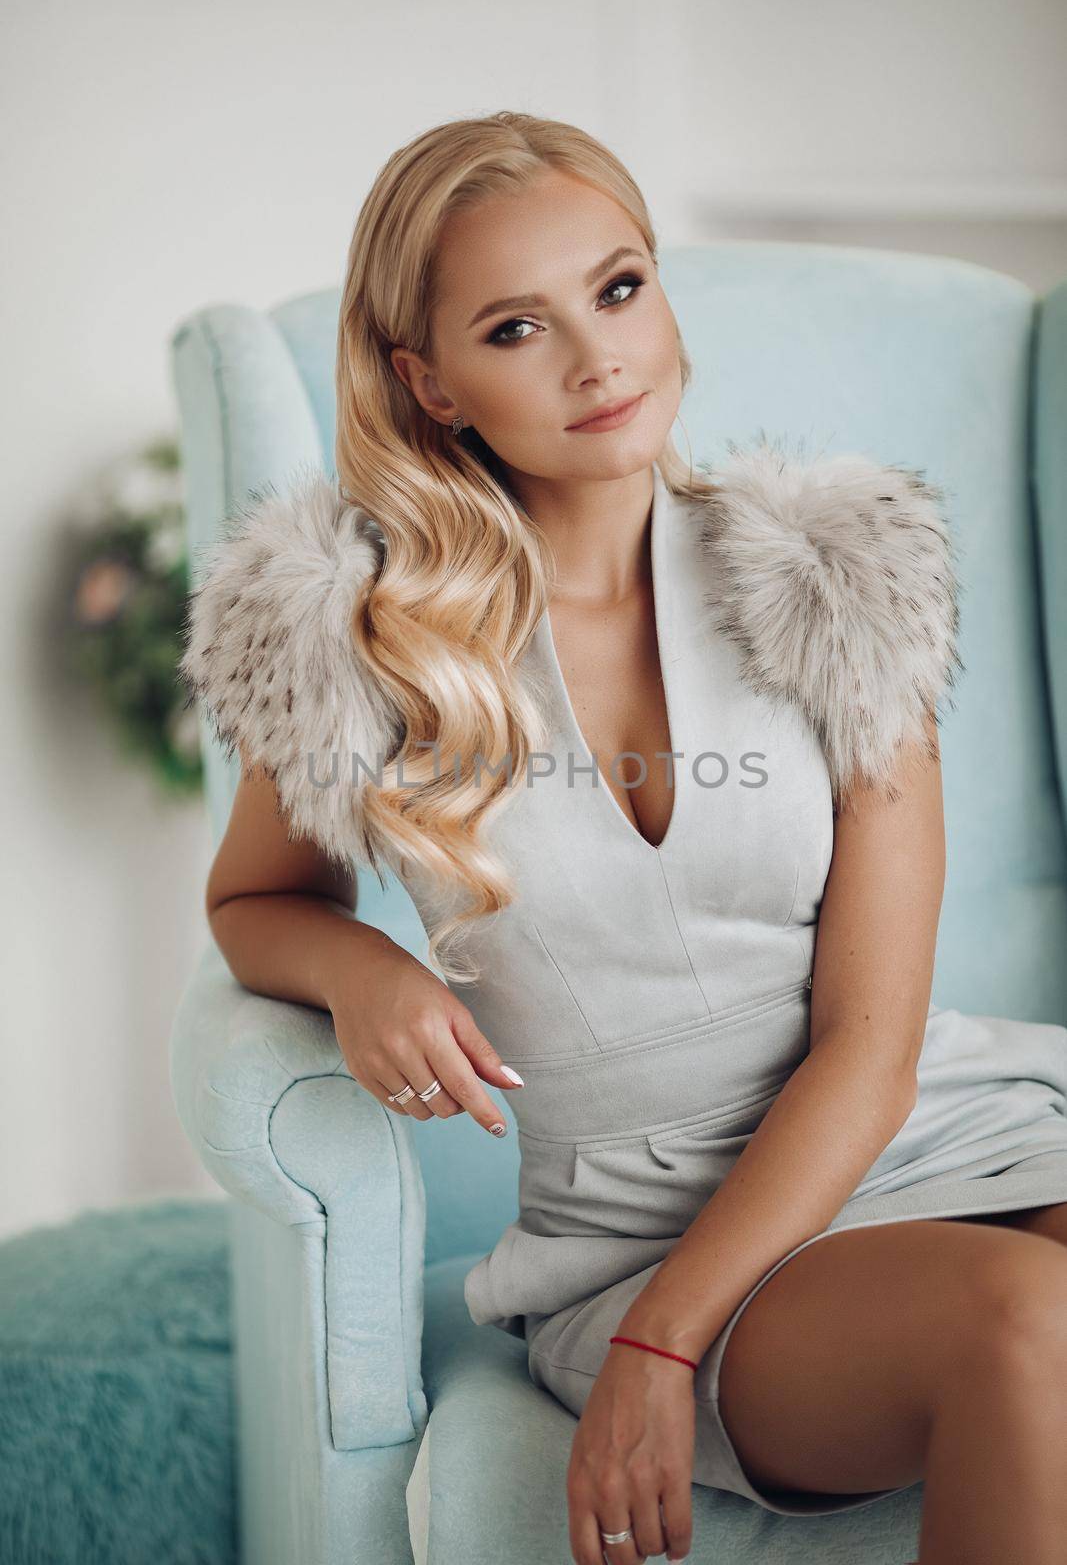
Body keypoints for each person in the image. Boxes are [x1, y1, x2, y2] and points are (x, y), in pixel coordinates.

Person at [180, 111, 1067, 1565]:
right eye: (517, 327)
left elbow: (873, 1044)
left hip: (918, 1131)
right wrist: (361, 971)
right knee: (1026, 1329)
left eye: (620, 286)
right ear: (432, 384)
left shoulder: (841, 582)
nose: (599, 358)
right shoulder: (361, 638)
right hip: (638, 1235)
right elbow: (254, 901)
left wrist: (663, 1362)